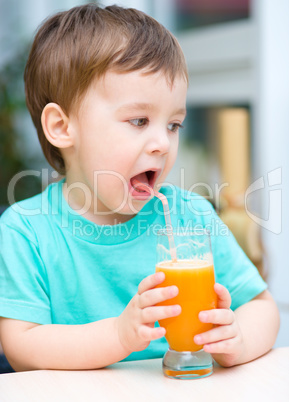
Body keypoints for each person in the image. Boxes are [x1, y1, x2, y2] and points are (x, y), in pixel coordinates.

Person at [0, 4, 279, 372]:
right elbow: (21, 343)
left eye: (173, 125)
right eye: (139, 120)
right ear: (62, 127)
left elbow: (261, 305)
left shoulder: (191, 217)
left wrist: (237, 338)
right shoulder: (27, 230)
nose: (162, 143)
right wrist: (118, 336)